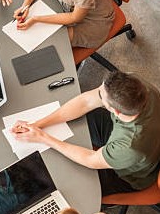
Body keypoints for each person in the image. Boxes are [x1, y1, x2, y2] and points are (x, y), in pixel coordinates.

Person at [11, 71, 160, 196]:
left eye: (101, 96)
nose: (98, 93)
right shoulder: (136, 86)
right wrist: (38, 124)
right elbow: (86, 102)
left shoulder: (130, 147)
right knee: (84, 117)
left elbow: (90, 159)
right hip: (142, 139)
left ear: (116, 111)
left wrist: (44, 138)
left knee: (69, 181)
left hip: (130, 175)